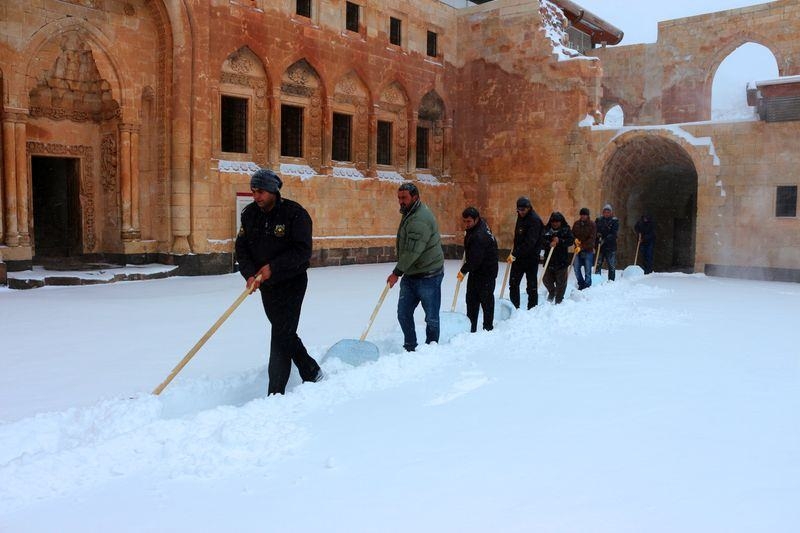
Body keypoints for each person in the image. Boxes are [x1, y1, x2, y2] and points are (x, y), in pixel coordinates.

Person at [235, 169, 323, 395]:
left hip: (292, 282)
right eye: (254, 192)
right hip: (266, 285)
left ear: (274, 190)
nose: (256, 196)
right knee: (283, 331)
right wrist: (249, 275)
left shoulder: (295, 214)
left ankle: (275, 392)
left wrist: (273, 267)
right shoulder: (249, 214)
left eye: (261, 191)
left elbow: (303, 252)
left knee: (281, 334)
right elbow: (241, 248)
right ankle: (310, 369)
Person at [387, 182, 444, 352]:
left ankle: (431, 349)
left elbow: (413, 251)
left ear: (415, 197)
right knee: (403, 313)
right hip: (412, 273)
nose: (401, 201)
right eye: (399, 198)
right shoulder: (410, 212)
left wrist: (397, 272)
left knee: (431, 317)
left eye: (404, 198)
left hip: (429, 275)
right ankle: (410, 347)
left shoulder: (420, 218)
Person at [458, 207, 499, 333]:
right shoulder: (478, 227)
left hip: (486, 272)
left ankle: (487, 328)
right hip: (477, 271)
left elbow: (475, 260)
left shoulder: (480, 236)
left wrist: (463, 271)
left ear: (476, 220)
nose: (466, 224)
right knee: (471, 300)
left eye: (468, 221)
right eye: (464, 221)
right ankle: (471, 328)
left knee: (485, 300)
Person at [508, 196, 544, 309]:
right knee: (513, 283)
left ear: (528, 208)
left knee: (531, 285)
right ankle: (515, 307)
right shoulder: (520, 216)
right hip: (519, 257)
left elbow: (530, 243)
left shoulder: (534, 220)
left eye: (523, 210)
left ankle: (532, 308)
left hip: (531, 258)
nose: (521, 212)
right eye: (519, 210)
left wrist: (515, 254)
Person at [542, 212, 575, 304]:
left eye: (557, 222)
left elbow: (571, 241)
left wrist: (560, 241)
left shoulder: (566, 230)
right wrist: (549, 243)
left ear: (561, 222)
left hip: (561, 260)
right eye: (553, 221)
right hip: (549, 260)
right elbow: (541, 241)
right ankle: (552, 292)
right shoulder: (546, 230)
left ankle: (559, 300)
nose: (555, 223)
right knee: (546, 279)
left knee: (561, 282)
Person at [571, 207, 596, 290]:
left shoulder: (592, 224)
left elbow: (592, 239)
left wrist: (581, 247)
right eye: (581, 215)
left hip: (588, 250)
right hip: (577, 250)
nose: (583, 216)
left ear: (587, 215)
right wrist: (575, 240)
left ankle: (587, 286)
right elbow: (572, 234)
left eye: (584, 215)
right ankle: (581, 284)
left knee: (588, 269)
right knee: (576, 268)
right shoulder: (576, 224)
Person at [595, 204, 619, 281]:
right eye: (605, 212)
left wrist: (605, 239)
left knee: (611, 265)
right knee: (598, 264)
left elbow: (614, 234)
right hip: (600, 246)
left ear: (611, 213)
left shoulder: (614, 221)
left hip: (610, 247)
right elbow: (595, 230)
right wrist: (597, 234)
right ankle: (597, 279)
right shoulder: (598, 220)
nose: (606, 213)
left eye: (608, 212)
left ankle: (611, 281)